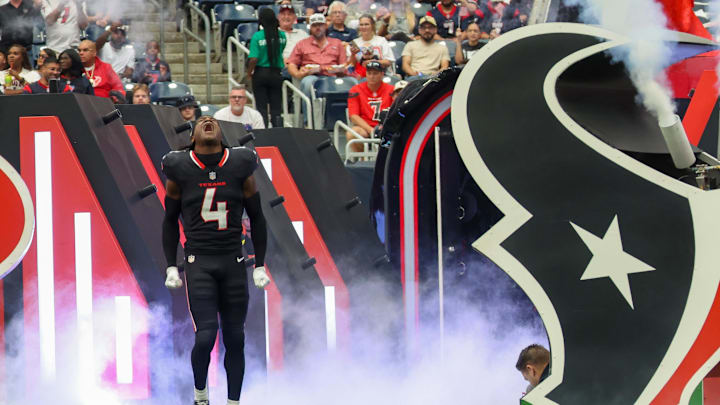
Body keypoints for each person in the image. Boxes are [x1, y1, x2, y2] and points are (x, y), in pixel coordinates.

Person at [161, 116, 271, 405]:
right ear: (193, 135)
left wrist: (259, 263)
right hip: (201, 261)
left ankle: (233, 401)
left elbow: (257, 217)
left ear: (222, 135)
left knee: (236, 338)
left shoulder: (240, 163)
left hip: (233, 260)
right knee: (206, 337)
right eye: (201, 120)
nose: (208, 120)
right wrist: (171, 264)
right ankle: (201, 397)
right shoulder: (179, 166)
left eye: (212, 120)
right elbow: (170, 219)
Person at [287, 13, 347, 103]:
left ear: (325, 26)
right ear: (310, 28)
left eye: (320, 25)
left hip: (333, 76)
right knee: (307, 83)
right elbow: (292, 63)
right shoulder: (302, 44)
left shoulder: (337, 43)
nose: (318, 28)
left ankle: (339, 115)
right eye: (314, 25)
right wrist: (298, 74)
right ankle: (309, 116)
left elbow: (344, 65)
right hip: (311, 76)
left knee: (351, 82)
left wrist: (340, 70)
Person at [248, 8, 286, 128]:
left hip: (260, 73)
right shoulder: (282, 35)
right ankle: (278, 132)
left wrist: (249, 72)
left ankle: (263, 133)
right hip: (276, 73)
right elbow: (281, 50)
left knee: (261, 108)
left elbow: (254, 58)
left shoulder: (257, 36)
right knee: (276, 108)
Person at [347, 60, 394, 151]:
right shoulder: (356, 90)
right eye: (369, 73)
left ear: (382, 74)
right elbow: (353, 116)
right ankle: (362, 161)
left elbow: (394, 111)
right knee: (352, 133)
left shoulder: (391, 90)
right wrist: (371, 130)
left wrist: (383, 129)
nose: (372, 76)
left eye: (375, 73)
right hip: (365, 127)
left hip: (384, 127)